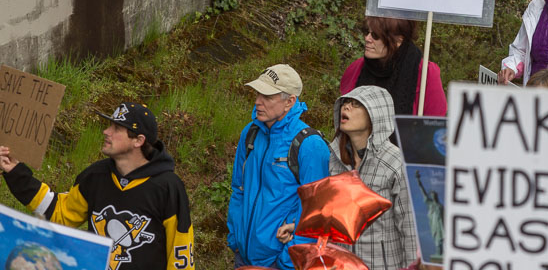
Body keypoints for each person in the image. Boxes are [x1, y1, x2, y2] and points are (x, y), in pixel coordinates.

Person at [0, 102, 194, 269]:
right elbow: (60, 212)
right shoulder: (96, 176)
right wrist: (16, 173)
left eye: (117, 128)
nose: (106, 132)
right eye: (110, 125)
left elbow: (180, 252)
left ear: (138, 140)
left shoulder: (167, 187)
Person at [228, 64, 329, 270]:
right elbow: (238, 189)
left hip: (280, 262)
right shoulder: (250, 133)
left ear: (289, 101)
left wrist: (287, 261)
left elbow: (316, 213)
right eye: (258, 94)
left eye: (267, 96)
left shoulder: (310, 145)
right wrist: (235, 239)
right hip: (243, 256)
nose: (258, 101)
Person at [327, 86, 418, 270]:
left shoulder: (396, 161)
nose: (346, 107)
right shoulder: (336, 159)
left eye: (356, 105)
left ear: (375, 115)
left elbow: (410, 229)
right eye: (345, 103)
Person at [340, 16, 446, 116]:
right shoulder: (357, 68)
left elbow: (433, 122)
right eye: (366, 32)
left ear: (399, 39)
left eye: (375, 35)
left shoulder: (425, 73)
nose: (367, 38)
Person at [415, 170, 444, 256]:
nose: (433, 196)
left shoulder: (440, 205)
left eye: (434, 195)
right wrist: (418, 181)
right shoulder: (430, 203)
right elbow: (423, 192)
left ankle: (441, 253)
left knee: (441, 239)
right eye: (432, 195)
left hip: (441, 224)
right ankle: (439, 253)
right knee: (437, 239)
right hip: (434, 224)